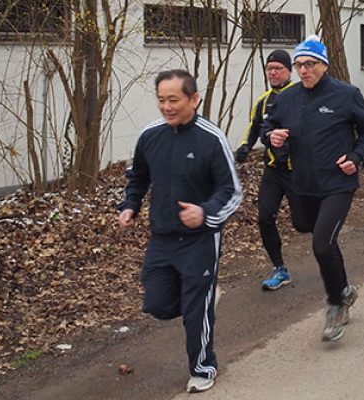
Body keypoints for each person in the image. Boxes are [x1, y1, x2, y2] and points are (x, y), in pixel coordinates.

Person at [118, 69, 242, 393]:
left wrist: (205, 214)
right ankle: (201, 301)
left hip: (200, 238)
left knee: (195, 309)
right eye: (161, 100)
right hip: (162, 236)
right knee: (157, 304)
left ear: (194, 99)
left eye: (173, 100)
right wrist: (129, 205)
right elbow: (138, 177)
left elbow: (231, 191)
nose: (166, 107)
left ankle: (203, 367)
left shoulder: (211, 138)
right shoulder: (150, 136)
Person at [263, 36, 364, 342]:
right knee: (310, 230)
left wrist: (356, 157)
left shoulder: (346, 94)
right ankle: (345, 289)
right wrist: (271, 136)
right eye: (299, 64)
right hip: (304, 184)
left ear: (324, 65)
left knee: (322, 244)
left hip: (338, 182)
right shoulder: (286, 98)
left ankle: (334, 304)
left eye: (309, 64)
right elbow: (267, 125)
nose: (303, 70)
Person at [233, 50, 301, 291]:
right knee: (265, 217)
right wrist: (244, 148)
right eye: (269, 68)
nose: (273, 72)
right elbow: (254, 128)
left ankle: (328, 252)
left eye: (278, 68)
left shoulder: (300, 96)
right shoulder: (263, 101)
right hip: (273, 170)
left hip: (298, 171)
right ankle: (280, 268)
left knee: (303, 222)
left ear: (288, 70)